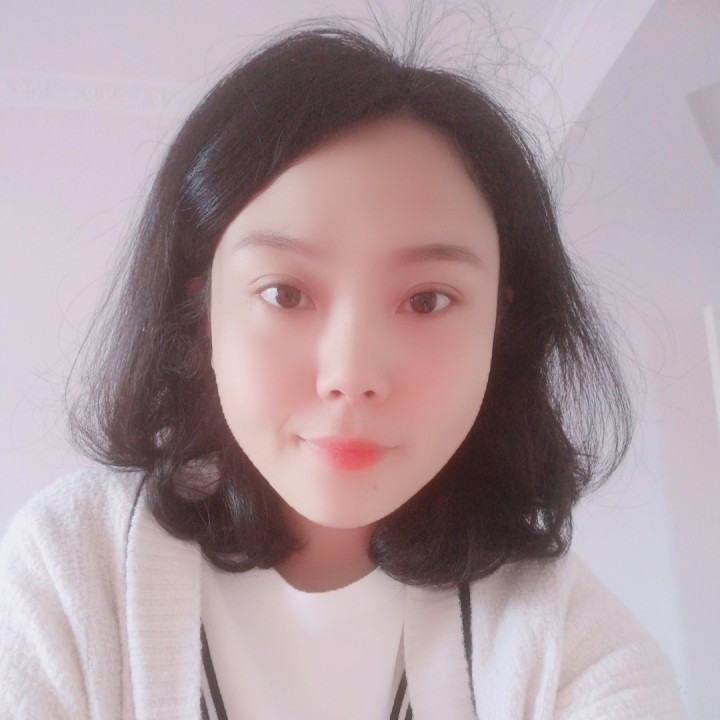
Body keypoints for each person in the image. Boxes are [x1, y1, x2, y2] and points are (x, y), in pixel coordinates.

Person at [0, 23, 686, 720]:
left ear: (499, 325)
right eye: (284, 293)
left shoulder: (571, 649)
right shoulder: (72, 572)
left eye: (427, 300)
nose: (351, 375)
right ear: (201, 308)